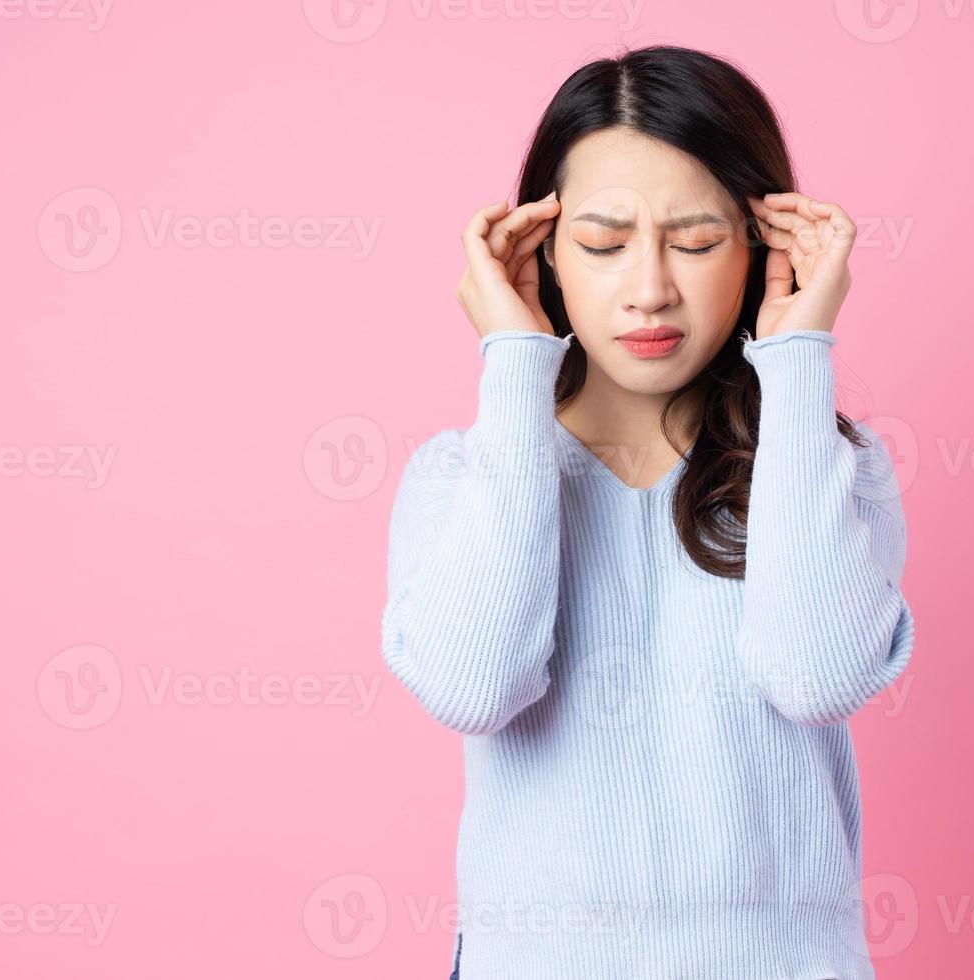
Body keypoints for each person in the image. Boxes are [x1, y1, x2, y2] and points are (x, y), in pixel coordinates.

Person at [382, 44, 916, 979]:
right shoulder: (462, 479)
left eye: (699, 241)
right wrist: (514, 364)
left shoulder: (823, 471)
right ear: (541, 252)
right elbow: (475, 687)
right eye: (601, 243)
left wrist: (799, 359)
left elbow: (818, 679)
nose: (650, 288)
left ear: (764, 246)